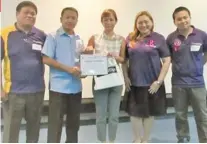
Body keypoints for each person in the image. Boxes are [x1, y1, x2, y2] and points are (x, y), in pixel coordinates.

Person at [1, 1, 46, 143]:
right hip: (13, 93)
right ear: (17, 14)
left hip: (37, 91)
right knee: (10, 132)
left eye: (33, 13)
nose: (30, 15)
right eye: (26, 12)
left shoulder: (41, 35)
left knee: (34, 130)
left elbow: (51, 57)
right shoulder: (5, 34)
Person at [122, 11, 171, 143]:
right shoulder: (130, 38)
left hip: (152, 84)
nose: (143, 25)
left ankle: (145, 139)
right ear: (136, 24)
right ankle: (137, 139)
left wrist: (159, 81)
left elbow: (167, 60)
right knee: (134, 113)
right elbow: (124, 60)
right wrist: (125, 77)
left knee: (149, 113)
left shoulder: (159, 38)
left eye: (146, 22)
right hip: (134, 83)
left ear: (152, 23)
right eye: (140, 22)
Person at [42, 7, 83, 143]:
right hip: (58, 88)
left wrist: (84, 71)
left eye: (73, 18)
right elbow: (46, 59)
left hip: (76, 88)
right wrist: (68, 69)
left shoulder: (79, 38)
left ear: (77, 20)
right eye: (67, 17)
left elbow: (80, 61)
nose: (70, 20)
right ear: (61, 19)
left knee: (73, 125)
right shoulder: (53, 36)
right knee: (55, 125)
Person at [166, 6, 207, 143]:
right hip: (178, 83)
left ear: (190, 17)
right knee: (180, 115)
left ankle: (204, 139)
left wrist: (199, 64)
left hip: (197, 82)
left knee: (202, 115)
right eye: (179, 19)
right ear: (174, 21)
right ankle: (183, 138)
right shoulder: (171, 38)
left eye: (185, 17)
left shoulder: (201, 35)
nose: (183, 21)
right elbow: (168, 58)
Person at [85, 9, 126, 143]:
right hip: (100, 80)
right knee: (100, 115)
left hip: (116, 81)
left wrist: (115, 56)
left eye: (111, 19)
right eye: (105, 19)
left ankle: (112, 140)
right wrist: (89, 50)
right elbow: (88, 54)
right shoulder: (95, 37)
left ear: (115, 21)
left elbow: (123, 59)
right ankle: (102, 141)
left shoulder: (121, 39)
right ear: (101, 21)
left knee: (114, 115)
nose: (108, 22)